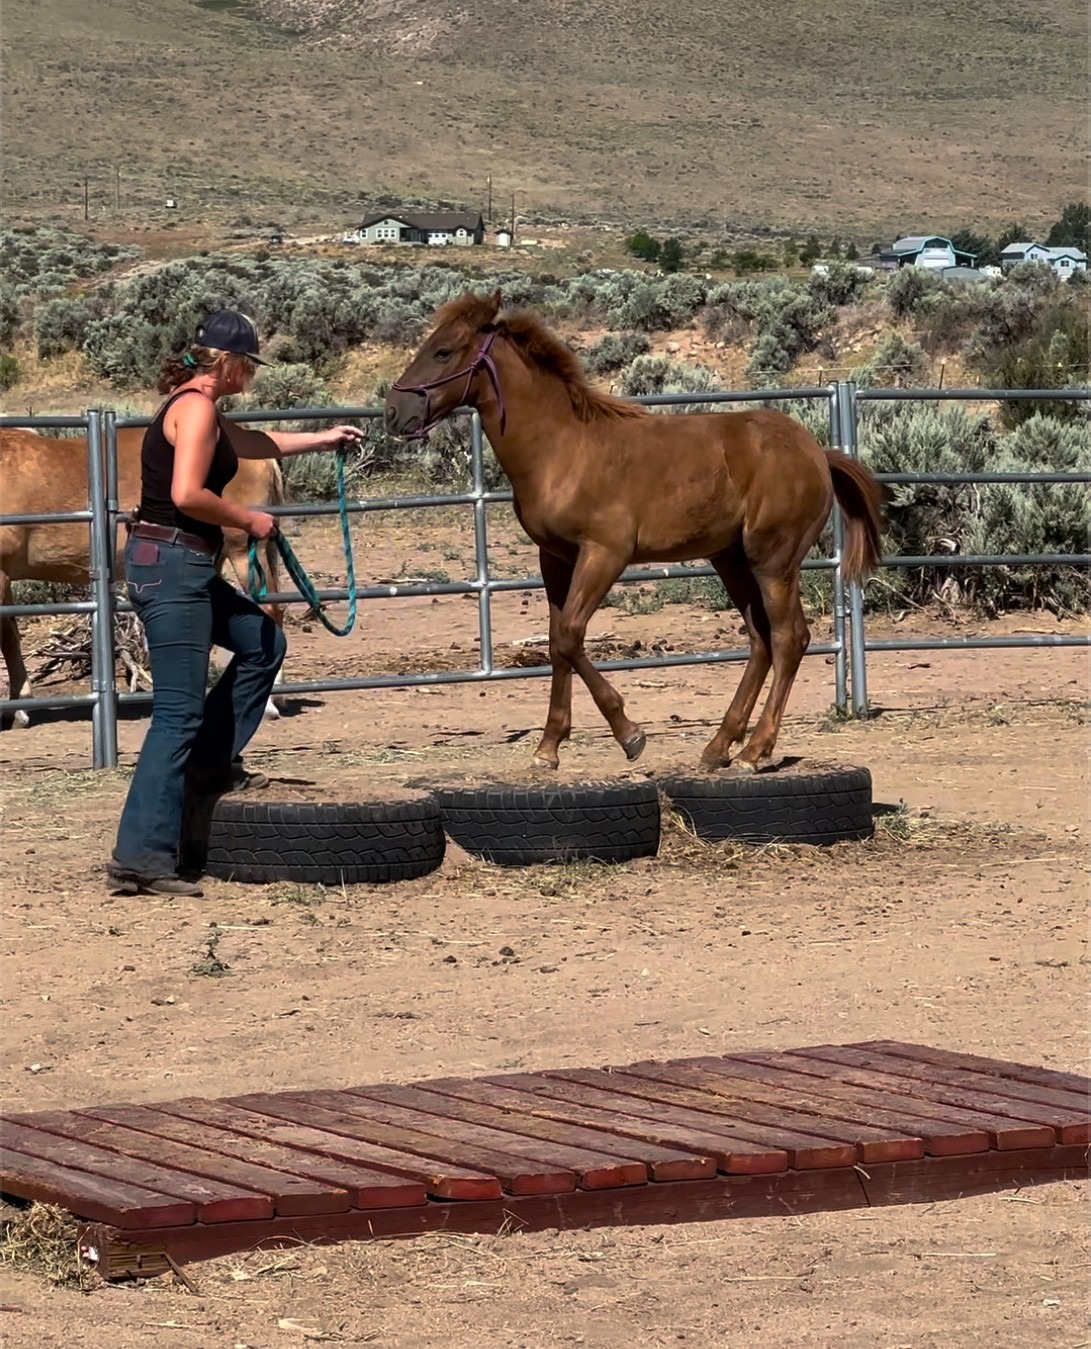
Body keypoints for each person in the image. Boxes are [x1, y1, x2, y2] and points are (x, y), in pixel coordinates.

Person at [107, 310, 364, 898]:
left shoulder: (197, 406)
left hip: (180, 564)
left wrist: (323, 438)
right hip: (172, 566)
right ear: (228, 362)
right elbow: (187, 493)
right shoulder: (195, 409)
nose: (252, 374)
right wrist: (247, 518)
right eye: (249, 363)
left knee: (263, 641)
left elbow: (253, 442)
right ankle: (141, 857)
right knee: (176, 713)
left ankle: (206, 764)